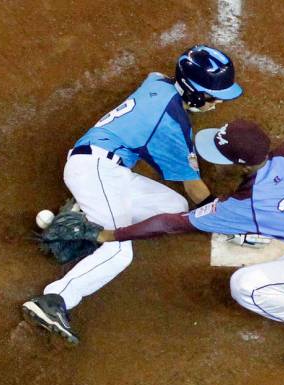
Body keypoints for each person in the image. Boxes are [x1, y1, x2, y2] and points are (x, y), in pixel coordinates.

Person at [94, 119, 284, 369]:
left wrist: (109, 235)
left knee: (246, 286)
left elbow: (173, 224)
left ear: (238, 165)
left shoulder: (244, 206)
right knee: (273, 238)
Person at [21, 46, 243, 344]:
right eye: (213, 95)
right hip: (94, 170)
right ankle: (54, 299)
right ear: (194, 92)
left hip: (106, 169)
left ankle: (83, 217)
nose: (217, 102)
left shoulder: (159, 83)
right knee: (120, 250)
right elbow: (194, 187)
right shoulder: (171, 124)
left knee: (173, 206)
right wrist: (228, 221)